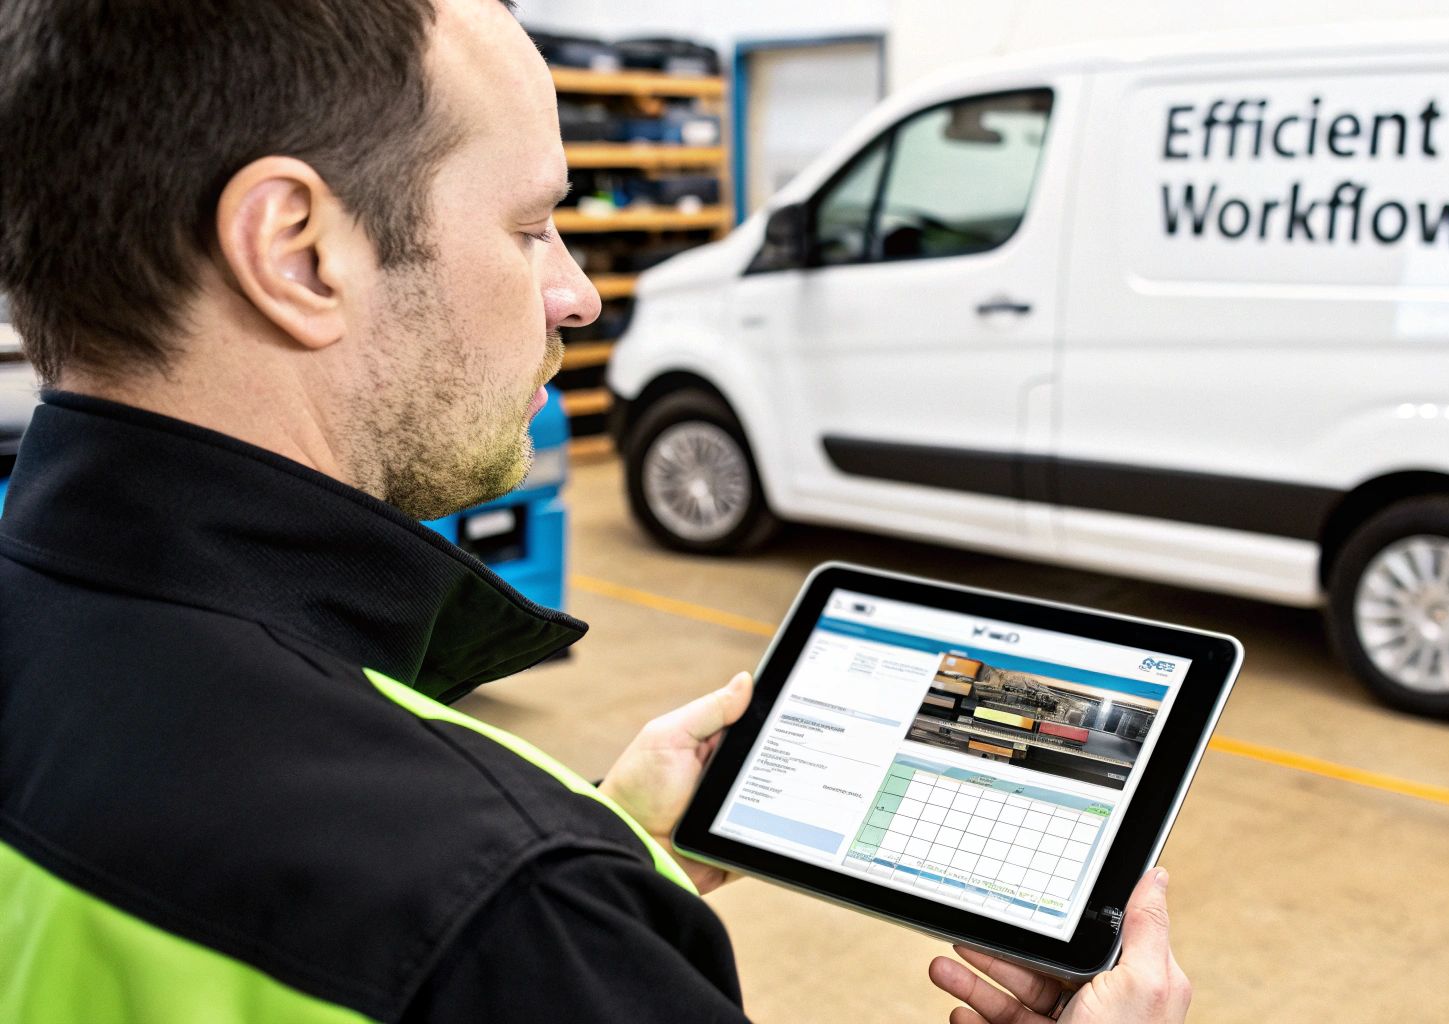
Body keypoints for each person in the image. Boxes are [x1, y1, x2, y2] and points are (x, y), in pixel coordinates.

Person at [0, 1, 1192, 1021]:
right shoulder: (527, 924)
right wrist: (555, 875)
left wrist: (626, 838)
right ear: (299, 251)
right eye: (528, 228)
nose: (573, 292)